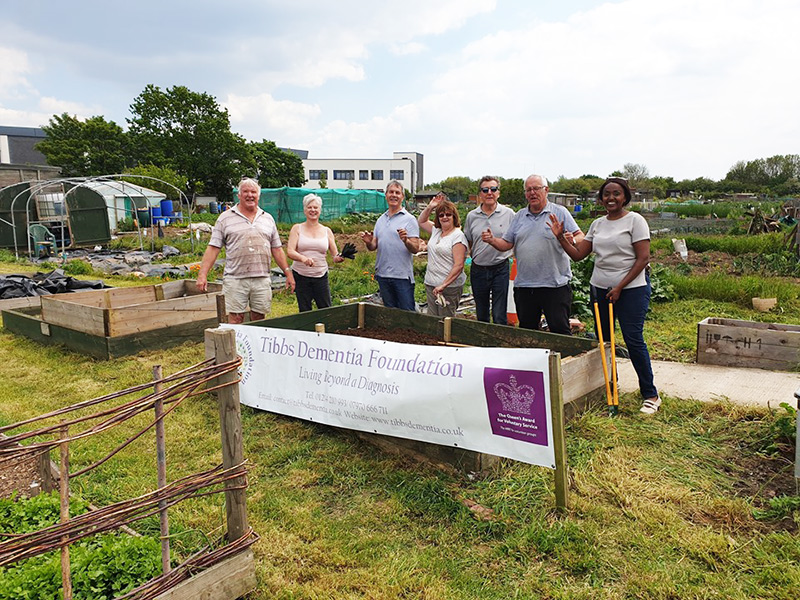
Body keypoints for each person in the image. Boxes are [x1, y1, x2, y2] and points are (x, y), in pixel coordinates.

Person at [548, 177, 660, 414]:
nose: (611, 198)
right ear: (601, 198)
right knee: (603, 341)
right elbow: (579, 255)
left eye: (616, 194)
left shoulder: (635, 221)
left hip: (631, 290)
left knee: (633, 339)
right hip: (599, 289)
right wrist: (560, 237)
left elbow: (643, 258)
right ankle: (609, 387)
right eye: (606, 194)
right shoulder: (598, 224)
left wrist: (619, 287)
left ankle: (650, 394)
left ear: (625, 197)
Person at [482, 174, 583, 335]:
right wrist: (493, 240)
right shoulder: (520, 216)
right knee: (528, 333)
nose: (532, 193)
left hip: (554, 285)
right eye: (528, 190)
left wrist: (572, 240)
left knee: (560, 331)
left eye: (536, 188)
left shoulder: (559, 212)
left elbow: (580, 236)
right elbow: (507, 243)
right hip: (525, 287)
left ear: (546, 190)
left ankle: (563, 360)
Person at [196, 178, 295, 323]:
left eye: (253, 192)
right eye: (246, 192)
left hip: (261, 278)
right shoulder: (225, 218)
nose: (250, 195)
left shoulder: (267, 219)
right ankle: (235, 346)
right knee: (235, 318)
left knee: (259, 318)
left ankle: (256, 346)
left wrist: (288, 272)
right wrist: (202, 274)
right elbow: (213, 247)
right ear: (239, 195)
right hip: (235, 279)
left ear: (259, 195)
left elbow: (277, 249)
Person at [360, 180, 420, 311]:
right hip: (383, 275)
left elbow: (416, 248)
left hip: (402, 276)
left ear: (402, 197)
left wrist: (406, 240)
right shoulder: (381, 220)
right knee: (390, 314)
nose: (394, 195)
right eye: (391, 192)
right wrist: (369, 242)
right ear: (386, 195)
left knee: (407, 314)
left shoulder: (409, 219)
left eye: (397, 193)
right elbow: (373, 247)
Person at [463, 176, 515, 324]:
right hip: (478, 269)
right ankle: (484, 344)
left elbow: (514, 238)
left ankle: (498, 344)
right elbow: (469, 241)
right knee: (482, 312)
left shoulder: (509, 214)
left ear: (498, 193)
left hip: (500, 268)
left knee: (499, 313)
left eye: (493, 189)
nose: (489, 193)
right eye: (485, 190)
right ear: (480, 194)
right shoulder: (472, 216)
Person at [287, 193, 345, 312]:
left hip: (321, 276)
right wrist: (303, 259)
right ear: (304, 210)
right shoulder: (297, 228)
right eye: (309, 207)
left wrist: (340, 258)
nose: (313, 210)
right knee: (305, 311)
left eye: (315, 207)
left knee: (325, 310)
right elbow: (290, 251)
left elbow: (334, 255)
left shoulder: (327, 231)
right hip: (301, 276)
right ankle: (307, 331)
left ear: (320, 210)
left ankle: (324, 330)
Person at [417, 193, 468, 317]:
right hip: (431, 285)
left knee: (446, 320)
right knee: (433, 318)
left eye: (448, 214)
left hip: (448, 288)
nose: (445, 217)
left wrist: (443, 285)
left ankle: (446, 337)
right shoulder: (436, 231)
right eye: (441, 215)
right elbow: (421, 221)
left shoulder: (457, 236)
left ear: (454, 216)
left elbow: (459, 265)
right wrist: (430, 207)